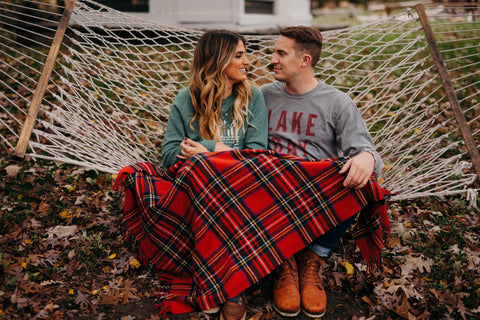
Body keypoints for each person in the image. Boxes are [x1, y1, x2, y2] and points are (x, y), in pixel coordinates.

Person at [261, 26, 383, 318]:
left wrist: (366, 157)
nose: (272, 60)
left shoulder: (337, 102)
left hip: (317, 194)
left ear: (304, 60)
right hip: (271, 189)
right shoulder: (262, 96)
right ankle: (286, 261)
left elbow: (368, 153)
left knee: (360, 179)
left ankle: (314, 256)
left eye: (280, 53)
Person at [161, 29, 268, 320]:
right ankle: (230, 288)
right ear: (218, 61)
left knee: (222, 189)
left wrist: (210, 149)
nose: (248, 61)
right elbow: (169, 155)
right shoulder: (186, 99)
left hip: (240, 183)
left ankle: (222, 286)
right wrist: (213, 152)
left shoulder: (252, 96)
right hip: (200, 187)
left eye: (246, 53)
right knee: (207, 182)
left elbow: (258, 155)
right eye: (239, 55)